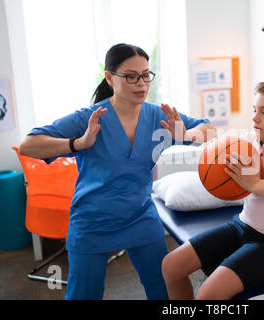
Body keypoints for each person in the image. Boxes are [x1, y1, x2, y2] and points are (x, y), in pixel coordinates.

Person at [19, 43, 216, 300]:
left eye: (146, 75)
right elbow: (28, 145)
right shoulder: (90, 118)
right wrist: (78, 144)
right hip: (92, 221)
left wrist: (185, 134)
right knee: (84, 294)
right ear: (109, 77)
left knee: (164, 287)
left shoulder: (159, 116)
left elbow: (211, 131)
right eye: (131, 76)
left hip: (140, 216)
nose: (141, 83)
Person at [161, 77, 264, 300]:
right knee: (171, 265)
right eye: (255, 110)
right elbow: (215, 137)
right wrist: (185, 135)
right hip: (242, 225)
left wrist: (256, 185)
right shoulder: (250, 139)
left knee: (207, 296)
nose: (255, 118)